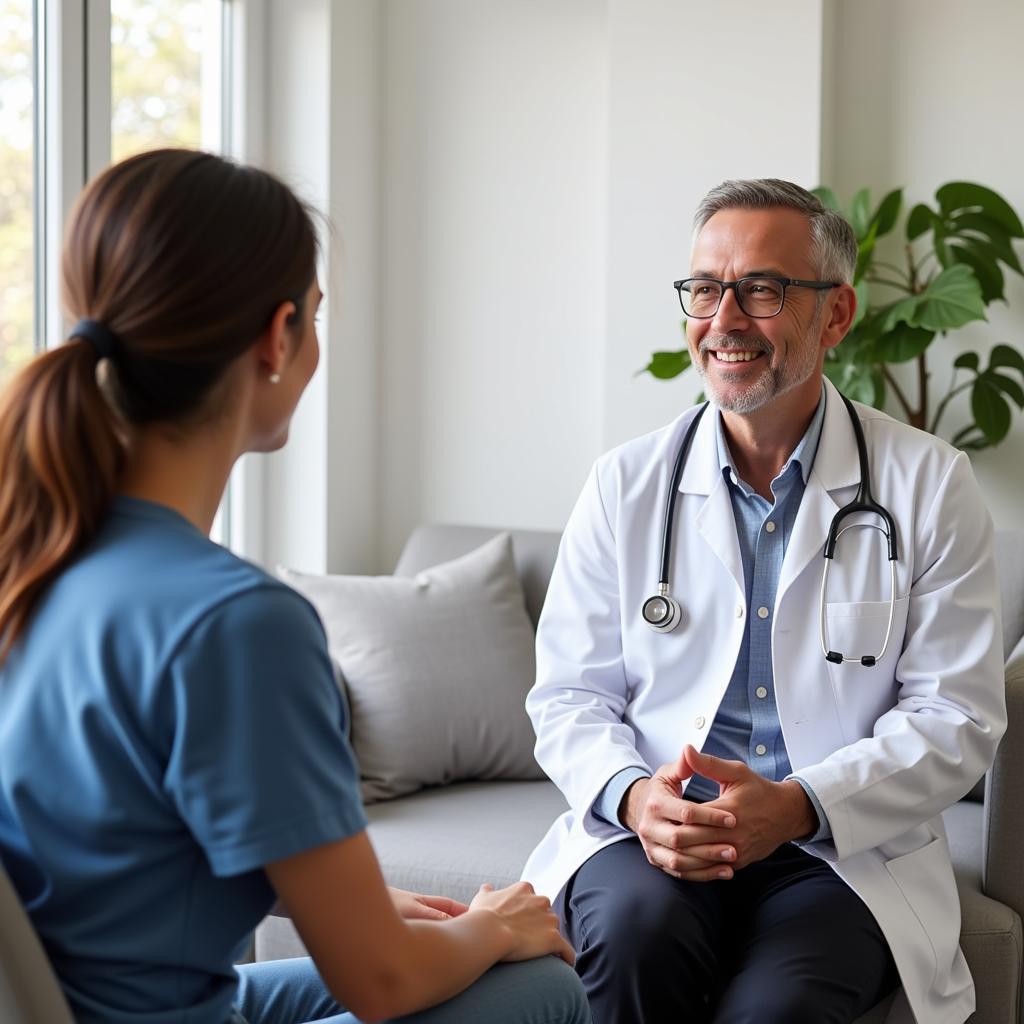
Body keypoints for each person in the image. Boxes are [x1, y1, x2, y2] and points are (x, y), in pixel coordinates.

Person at [0, 148, 590, 1024]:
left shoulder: (33, 554)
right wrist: (496, 928)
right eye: (316, 317)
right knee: (536, 984)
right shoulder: (236, 623)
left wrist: (360, 901)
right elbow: (381, 983)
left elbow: (118, 845)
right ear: (278, 339)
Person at [521, 179, 1006, 1024]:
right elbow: (568, 696)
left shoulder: (929, 484)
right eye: (707, 288)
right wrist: (638, 799)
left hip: (837, 845)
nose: (726, 319)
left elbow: (955, 716)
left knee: (775, 1011)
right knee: (634, 942)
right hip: (656, 836)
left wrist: (796, 806)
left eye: (763, 290)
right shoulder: (626, 484)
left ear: (837, 314)